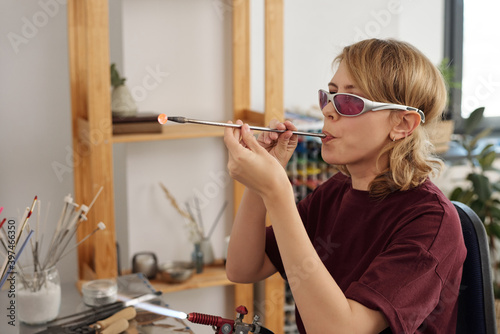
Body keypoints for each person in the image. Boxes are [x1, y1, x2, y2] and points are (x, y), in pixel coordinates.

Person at [223, 38, 466, 333]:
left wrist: (277, 192)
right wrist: (261, 182)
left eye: (350, 102)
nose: (328, 111)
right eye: (329, 96)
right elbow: (243, 267)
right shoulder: (336, 191)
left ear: (402, 124)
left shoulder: (430, 222)